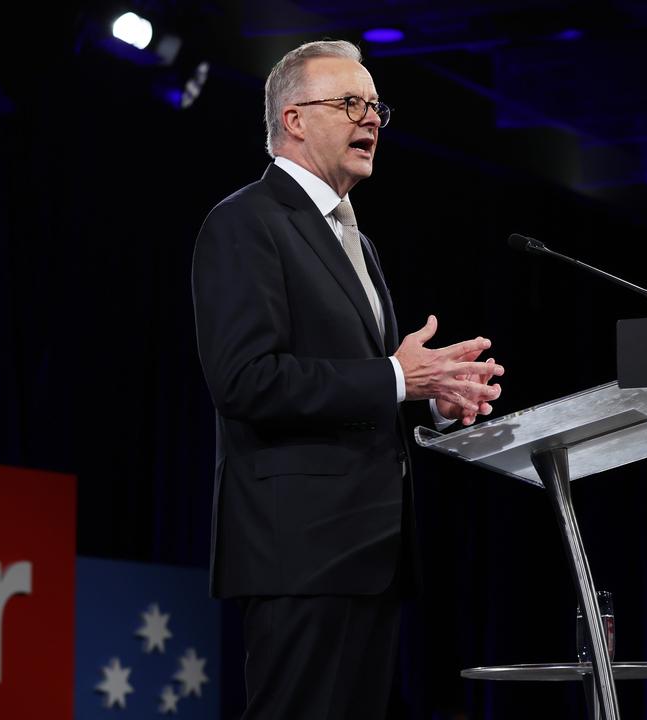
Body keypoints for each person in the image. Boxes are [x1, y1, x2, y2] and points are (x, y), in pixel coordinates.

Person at [191, 40, 505, 719]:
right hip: (299, 550)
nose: (371, 119)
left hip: (371, 552)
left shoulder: (358, 242)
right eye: (350, 103)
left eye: (376, 107)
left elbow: (362, 386)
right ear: (295, 119)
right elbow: (246, 381)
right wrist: (395, 376)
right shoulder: (245, 222)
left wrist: (433, 396)